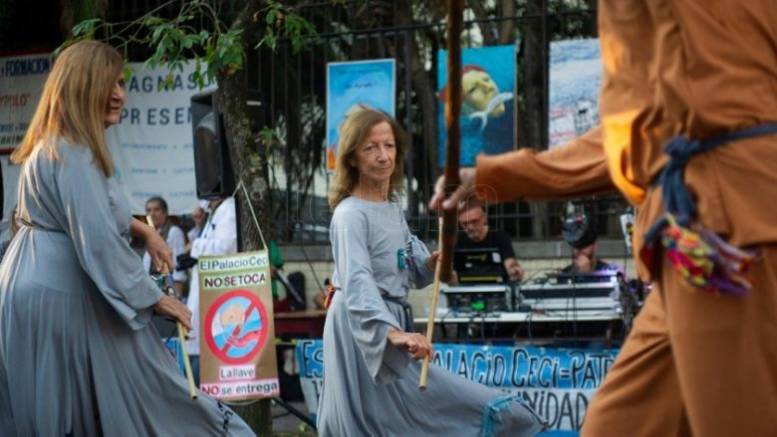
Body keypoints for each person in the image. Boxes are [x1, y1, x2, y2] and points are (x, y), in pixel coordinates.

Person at [430, 2, 777, 435]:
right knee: (617, 425)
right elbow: (641, 134)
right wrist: (493, 176)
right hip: (700, 234)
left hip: (721, 236)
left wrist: (494, 175)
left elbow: (649, 132)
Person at [0, 41, 253, 435]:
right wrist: (155, 299)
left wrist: (144, 230)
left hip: (30, 283)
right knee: (133, 388)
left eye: (121, 83)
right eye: (109, 83)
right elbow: (98, 238)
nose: (119, 93)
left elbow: (98, 211)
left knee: (54, 406)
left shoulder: (53, 146)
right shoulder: (77, 153)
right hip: (62, 293)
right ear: (83, 86)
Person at [317, 107, 544, 436]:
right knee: (372, 424)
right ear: (352, 158)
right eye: (371, 147)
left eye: (389, 145)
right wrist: (392, 333)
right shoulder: (350, 214)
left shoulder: (392, 209)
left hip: (391, 325)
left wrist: (433, 264)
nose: (383, 156)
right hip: (362, 330)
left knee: (410, 418)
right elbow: (357, 281)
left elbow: (409, 264)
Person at [186, 195, 238, 384]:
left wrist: (195, 246)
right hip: (203, 291)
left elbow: (223, 248)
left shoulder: (228, 209)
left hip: (215, 295)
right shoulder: (213, 214)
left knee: (205, 355)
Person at [456, 196, 523, 281]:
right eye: (465, 224)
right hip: (465, 290)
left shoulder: (499, 237)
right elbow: (452, 277)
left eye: (474, 221)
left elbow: (509, 261)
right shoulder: (457, 240)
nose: (470, 227)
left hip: (497, 288)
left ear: (484, 218)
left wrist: (514, 269)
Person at [143, 196, 187, 294]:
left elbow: (178, 265)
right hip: (152, 289)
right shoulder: (150, 234)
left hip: (167, 288)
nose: (152, 214)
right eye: (148, 210)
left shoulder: (174, 231)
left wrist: (176, 294)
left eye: (156, 209)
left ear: (165, 212)